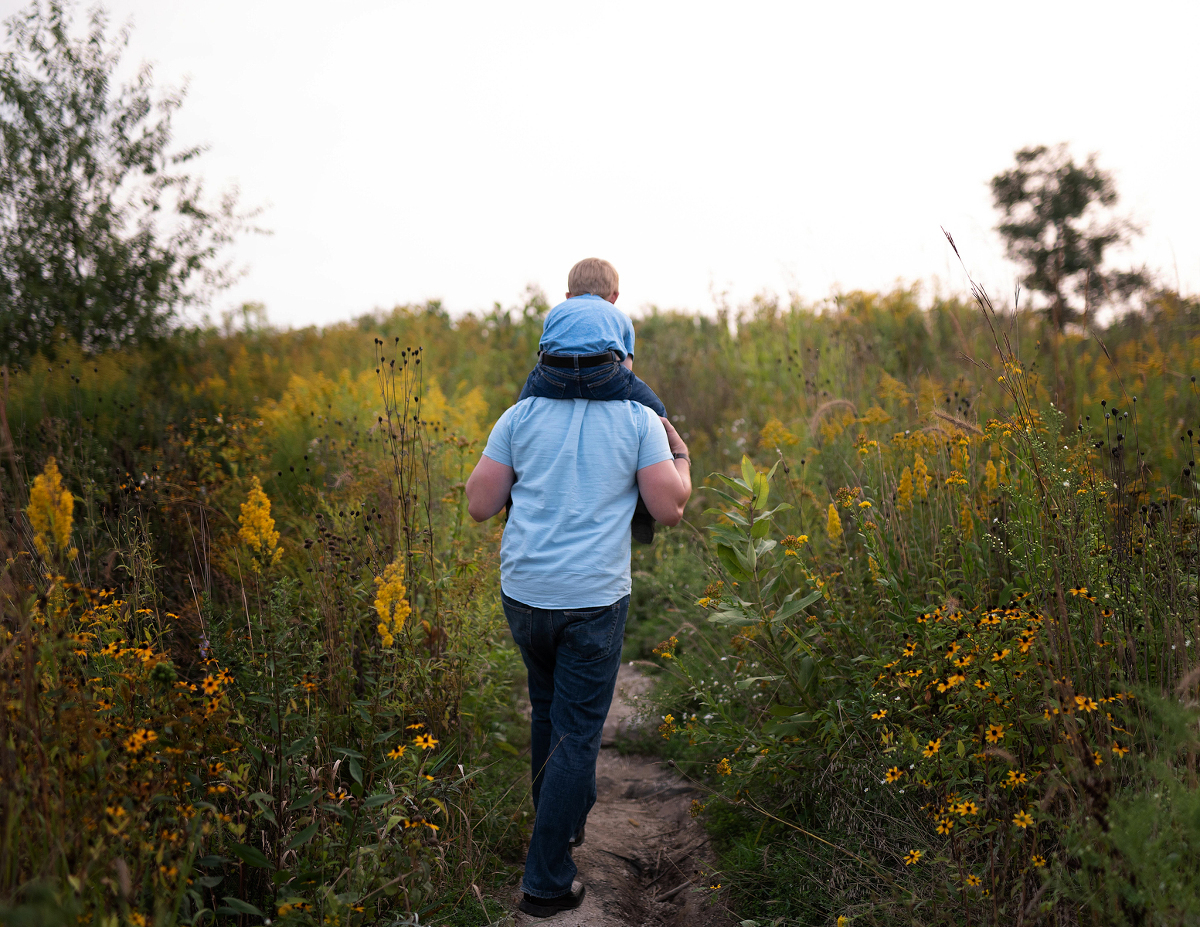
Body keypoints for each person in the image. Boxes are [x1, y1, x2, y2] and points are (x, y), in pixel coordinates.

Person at [465, 342, 692, 917]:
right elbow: (668, 509)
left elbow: (479, 504)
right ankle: (545, 880)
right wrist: (682, 458)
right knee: (576, 733)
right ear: (621, 358)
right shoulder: (641, 418)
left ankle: (558, 826)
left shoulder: (519, 415)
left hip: (525, 592)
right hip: (591, 597)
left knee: (548, 712)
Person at [515, 257, 668, 544]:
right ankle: (644, 509)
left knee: (519, 414)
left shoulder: (557, 312)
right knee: (658, 413)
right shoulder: (619, 317)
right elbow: (626, 371)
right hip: (603, 372)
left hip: (553, 372)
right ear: (614, 297)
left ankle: (512, 499)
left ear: (568, 296)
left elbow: (544, 353)